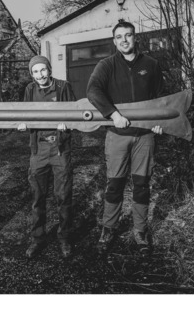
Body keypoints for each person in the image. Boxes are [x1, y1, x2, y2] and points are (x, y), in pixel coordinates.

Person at [86, 20, 165, 254]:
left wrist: (159, 123)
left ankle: (140, 231)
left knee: (141, 184)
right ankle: (108, 228)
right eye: (119, 37)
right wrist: (113, 114)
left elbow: (160, 98)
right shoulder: (106, 65)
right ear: (114, 41)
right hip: (117, 134)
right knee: (114, 185)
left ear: (135, 37)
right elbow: (93, 90)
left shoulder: (151, 64)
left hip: (144, 137)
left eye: (128, 35)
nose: (124, 40)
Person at [18, 55, 76, 259]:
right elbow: (25, 115)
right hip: (39, 149)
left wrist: (66, 124)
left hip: (59, 148)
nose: (40, 75)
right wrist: (24, 124)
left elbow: (75, 113)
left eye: (43, 70)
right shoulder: (30, 90)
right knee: (37, 196)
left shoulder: (63, 87)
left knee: (63, 196)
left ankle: (65, 238)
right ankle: (38, 238)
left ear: (49, 69)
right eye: (35, 72)